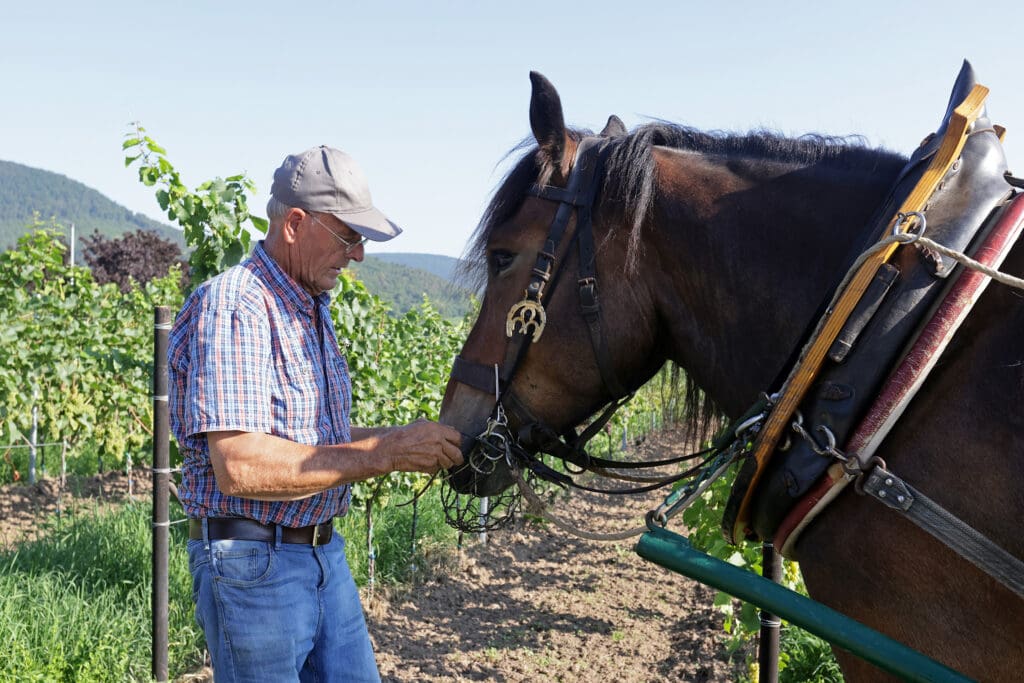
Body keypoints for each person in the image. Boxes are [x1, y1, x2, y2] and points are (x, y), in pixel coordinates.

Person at [168, 145, 464, 682]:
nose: (358, 255)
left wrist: (402, 438)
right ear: (295, 224)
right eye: (349, 236)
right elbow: (241, 463)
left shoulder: (307, 307)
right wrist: (387, 453)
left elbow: (311, 439)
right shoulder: (238, 304)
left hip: (324, 555)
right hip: (254, 566)